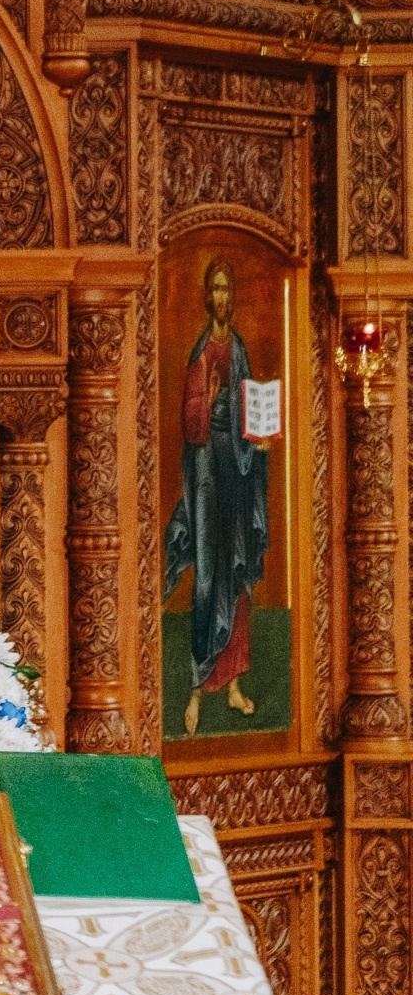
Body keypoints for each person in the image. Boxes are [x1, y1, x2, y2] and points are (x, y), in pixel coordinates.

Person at [164, 257, 270, 735]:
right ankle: (195, 690)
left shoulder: (240, 348)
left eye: (229, 289)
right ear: (208, 296)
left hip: (239, 469)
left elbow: (252, 405)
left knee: (237, 575)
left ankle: (231, 685)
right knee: (208, 578)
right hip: (208, 473)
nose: (223, 297)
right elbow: (190, 425)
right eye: (217, 290)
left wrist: (260, 438)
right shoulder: (201, 351)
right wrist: (205, 398)